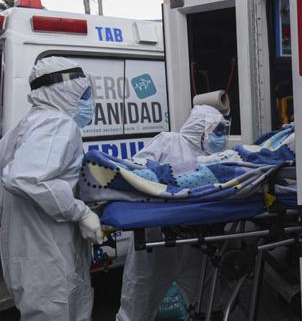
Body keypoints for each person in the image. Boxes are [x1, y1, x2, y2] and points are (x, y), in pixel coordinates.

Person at [0, 57, 103, 321]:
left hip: (30, 249)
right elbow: (25, 178)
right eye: (84, 94)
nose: (88, 102)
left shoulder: (24, 126)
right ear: (64, 91)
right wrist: (80, 212)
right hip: (47, 253)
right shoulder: (57, 124)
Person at [117, 104, 229, 321]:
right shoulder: (169, 141)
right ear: (201, 128)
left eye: (223, 131)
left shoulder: (217, 156)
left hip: (196, 239)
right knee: (142, 293)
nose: (221, 137)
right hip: (157, 237)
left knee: (206, 295)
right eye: (218, 130)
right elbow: (138, 171)